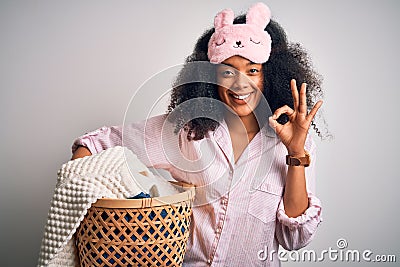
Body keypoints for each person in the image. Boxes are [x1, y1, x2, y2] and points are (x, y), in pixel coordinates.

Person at [72, 3, 327, 266]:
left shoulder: (298, 143)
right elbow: (96, 143)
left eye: (253, 70)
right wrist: (84, 189)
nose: (240, 83)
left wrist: (295, 153)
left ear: (270, 76)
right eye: (227, 71)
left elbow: (293, 239)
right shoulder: (189, 131)